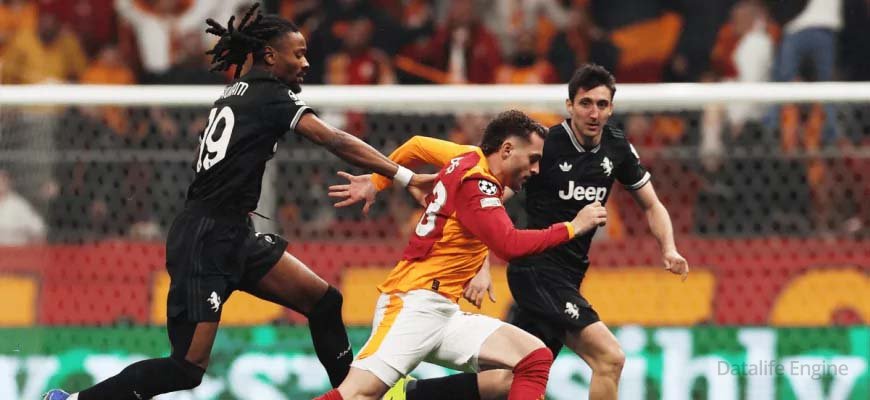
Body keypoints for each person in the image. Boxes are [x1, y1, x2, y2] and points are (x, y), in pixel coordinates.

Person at [42, 4, 431, 400]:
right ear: (270, 55)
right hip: (207, 239)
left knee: (324, 301)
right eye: (298, 54)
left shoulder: (235, 92)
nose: (306, 63)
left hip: (234, 233)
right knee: (186, 368)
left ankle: (356, 395)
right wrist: (404, 175)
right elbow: (333, 139)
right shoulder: (269, 94)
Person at [333, 64, 689, 400]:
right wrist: (483, 264)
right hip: (536, 272)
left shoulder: (617, 147)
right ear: (569, 106)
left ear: (612, 108)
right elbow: (487, 210)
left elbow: (652, 204)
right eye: (585, 103)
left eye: (602, 104)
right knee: (609, 358)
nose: (593, 113)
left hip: (565, 275)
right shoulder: (542, 147)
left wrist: (669, 249)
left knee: (511, 376)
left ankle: (408, 394)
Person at [316, 110, 609, 400]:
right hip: (413, 305)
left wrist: (378, 181)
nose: (536, 169)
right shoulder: (478, 185)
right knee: (356, 394)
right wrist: (572, 227)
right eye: (533, 159)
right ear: (507, 149)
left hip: (443, 311)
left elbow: (416, 145)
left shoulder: (468, 156)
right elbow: (509, 244)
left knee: (533, 357)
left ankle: (405, 396)